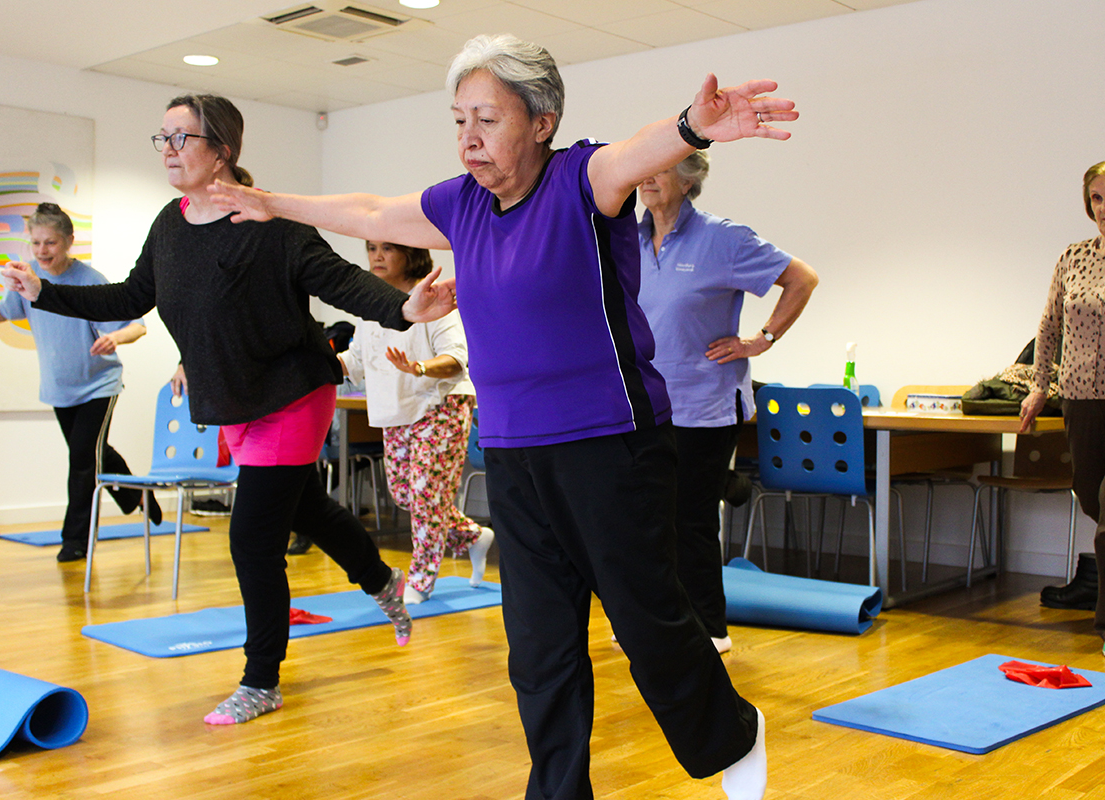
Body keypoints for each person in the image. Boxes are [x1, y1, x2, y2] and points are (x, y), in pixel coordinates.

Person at [210, 34, 798, 799]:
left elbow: (635, 152)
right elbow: (367, 210)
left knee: (649, 627)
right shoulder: (460, 205)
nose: (469, 138)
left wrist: (691, 127)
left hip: (610, 447)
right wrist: (268, 204)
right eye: (459, 120)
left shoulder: (581, 181)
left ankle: (731, 733)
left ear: (542, 121)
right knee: (539, 648)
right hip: (515, 453)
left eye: (487, 118)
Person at [0, 93, 456, 725]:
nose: (167, 150)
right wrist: (43, 293)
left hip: (293, 393)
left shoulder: (271, 222)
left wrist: (404, 310)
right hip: (236, 401)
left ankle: (261, 679)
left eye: (181, 138)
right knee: (306, 506)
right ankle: (383, 581)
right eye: (161, 138)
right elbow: (134, 293)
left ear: (223, 151)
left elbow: (339, 280)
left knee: (251, 540)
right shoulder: (169, 222)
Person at [636, 152, 818, 654]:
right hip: (643, 405)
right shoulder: (625, 242)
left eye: (661, 167)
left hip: (703, 403)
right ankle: (663, 621)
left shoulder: (724, 238)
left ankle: (709, 628)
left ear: (689, 178)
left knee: (689, 520)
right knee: (646, 518)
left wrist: (761, 338)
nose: (647, 177)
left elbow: (802, 278)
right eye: (642, 167)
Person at [0, 203, 158, 563]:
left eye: (50, 242)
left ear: (68, 241)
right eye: (35, 243)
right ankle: (136, 495)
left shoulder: (89, 280)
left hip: (99, 384)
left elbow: (137, 324)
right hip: (59, 388)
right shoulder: (29, 277)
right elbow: (6, 311)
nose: (42, 251)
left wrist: (116, 339)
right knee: (94, 455)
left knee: (82, 459)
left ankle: (76, 541)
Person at [1020, 157, 1105, 660]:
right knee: (1096, 501)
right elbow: (1050, 326)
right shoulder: (1073, 258)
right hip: (1079, 401)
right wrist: (1039, 386)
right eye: (1097, 198)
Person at [338, 240, 494, 604]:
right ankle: (472, 535)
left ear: (410, 255)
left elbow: (458, 358)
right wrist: (315, 361)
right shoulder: (370, 306)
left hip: (441, 405)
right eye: (371, 248)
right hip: (397, 413)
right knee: (408, 495)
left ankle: (421, 580)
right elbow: (356, 361)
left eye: (387, 249)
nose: (376, 256)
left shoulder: (435, 300)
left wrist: (420, 367)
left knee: (426, 497)